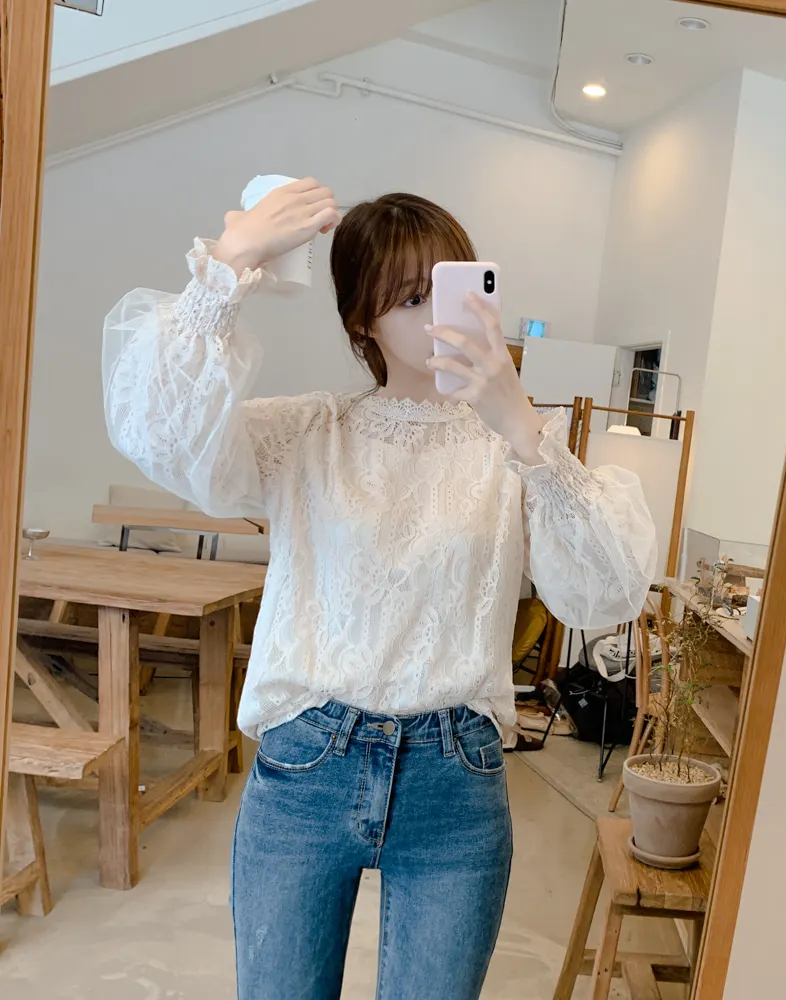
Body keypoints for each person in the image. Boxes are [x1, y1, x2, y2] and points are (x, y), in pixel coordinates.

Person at [102, 180, 657, 1000]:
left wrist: (518, 422)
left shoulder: (515, 450)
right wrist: (228, 265)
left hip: (455, 779)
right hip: (306, 765)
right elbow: (159, 430)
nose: (438, 317)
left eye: (452, 289)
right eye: (410, 297)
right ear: (362, 318)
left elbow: (605, 589)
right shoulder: (308, 433)